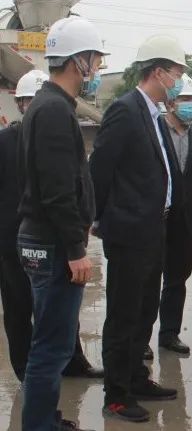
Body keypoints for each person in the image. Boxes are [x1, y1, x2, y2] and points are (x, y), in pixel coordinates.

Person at [91, 34, 186, 422]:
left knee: (145, 310)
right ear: (159, 72)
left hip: (154, 229)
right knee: (124, 314)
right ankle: (116, 395)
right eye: (177, 73)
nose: (179, 81)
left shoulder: (154, 115)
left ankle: (136, 378)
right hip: (129, 232)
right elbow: (100, 169)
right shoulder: (125, 110)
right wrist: (98, 220)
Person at [17, 18, 106, 431]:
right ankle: (39, 425)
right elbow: (56, 191)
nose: (98, 68)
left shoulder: (50, 106)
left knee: (50, 341)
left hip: (46, 241)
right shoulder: (53, 110)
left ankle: (45, 418)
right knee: (51, 347)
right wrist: (75, 249)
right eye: (95, 60)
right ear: (77, 61)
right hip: (52, 245)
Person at [0, 70, 103, 386]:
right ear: (20, 105)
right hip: (13, 240)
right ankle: (25, 371)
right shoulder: (5, 141)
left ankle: (73, 361)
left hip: (53, 237)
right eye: (27, 101)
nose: (33, 106)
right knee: (18, 307)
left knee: (62, 307)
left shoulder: (61, 133)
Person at [158, 75, 192, 354]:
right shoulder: (155, 132)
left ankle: (170, 333)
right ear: (170, 103)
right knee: (147, 279)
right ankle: (140, 339)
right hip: (156, 217)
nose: (191, 105)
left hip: (186, 219)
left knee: (177, 279)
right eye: (184, 100)